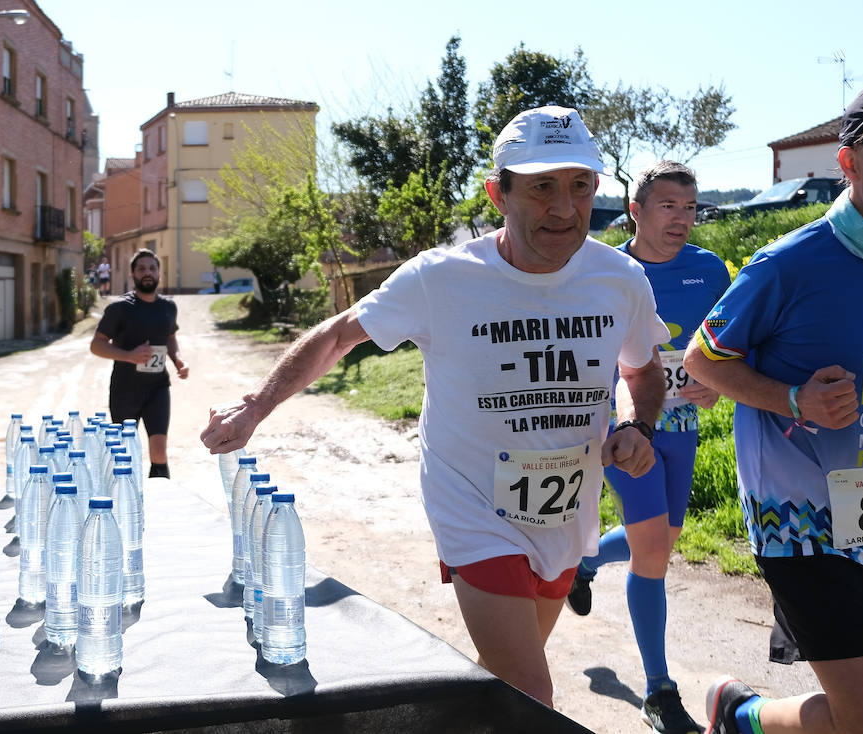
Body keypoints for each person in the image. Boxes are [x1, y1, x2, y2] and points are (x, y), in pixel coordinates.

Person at [201, 106, 669, 707]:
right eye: (541, 187)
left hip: (566, 508)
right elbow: (341, 335)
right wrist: (253, 409)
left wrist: (640, 424)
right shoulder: (442, 278)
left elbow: (641, 367)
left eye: (579, 185)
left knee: (503, 685)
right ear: (498, 193)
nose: (563, 207)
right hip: (473, 505)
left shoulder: (619, 278)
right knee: (532, 691)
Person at [687, 78, 863, 734]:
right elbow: (702, 360)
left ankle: (740, 718)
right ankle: (744, 716)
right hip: (797, 520)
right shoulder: (788, 265)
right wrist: (792, 397)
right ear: (849, 164)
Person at [564, 161, 730, 732]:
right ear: (635, 210)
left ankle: (583, 561)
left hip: (682, 427)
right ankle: (660, 689)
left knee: (659, 542)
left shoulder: (708, 268)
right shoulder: (604, 269)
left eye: (690, 208)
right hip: (621, 429)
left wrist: (718, 380)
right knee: (653, 549)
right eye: (668, 207)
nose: (682, 219)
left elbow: (732, 342)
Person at [91, 248, 189, 478]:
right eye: (142, 268)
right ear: (132, 274)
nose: (148, 273)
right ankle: (127, 503)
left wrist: (177, 360)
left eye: (152, 268)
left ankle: (160, 500)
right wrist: (129, 355)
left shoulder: (168, 307)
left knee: (159, 452)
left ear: (159, 274)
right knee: (124, 453)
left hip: (157, 387)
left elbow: (170, 338)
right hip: (125, 389)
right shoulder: (120, 308)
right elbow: (96, 345)